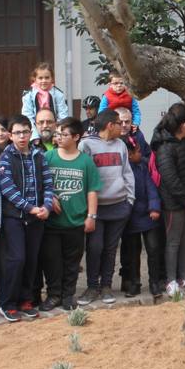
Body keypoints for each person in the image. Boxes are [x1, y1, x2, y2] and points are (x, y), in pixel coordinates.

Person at [0, 115, 54, 322]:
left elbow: (48, 184)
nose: (22, 136)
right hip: (15, 217)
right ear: (10, 135)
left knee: (31, 260)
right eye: (17, 133)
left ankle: (26, 301)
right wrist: (30, 208)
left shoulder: (39, 156)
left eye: (25, 132)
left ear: (31, 133)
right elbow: (8, 190)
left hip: (37, 218)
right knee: (17, 259)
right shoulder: (6, 157)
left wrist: (47, 206)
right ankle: (8, 303)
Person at [42, 117, 98, 311]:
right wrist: (49, 198)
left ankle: (68, 295)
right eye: (57, 133)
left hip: (75, 222)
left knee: (72, 262)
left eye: (64, 134)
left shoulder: (85, 161)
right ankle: (53, 295)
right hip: (52, 223)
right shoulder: (48, 158)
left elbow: (92, 190)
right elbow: (40, 185)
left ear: (76, 137)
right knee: (52, 261)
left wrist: (91, 216)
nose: (59, 137)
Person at [82, 111, 135, 305]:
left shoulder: (120, 145)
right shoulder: (86, 145)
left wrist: (130, 200)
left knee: (111, 249)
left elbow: (127, 173)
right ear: (109, 125)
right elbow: (83, 175)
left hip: (119, 206)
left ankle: (106, 286)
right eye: (118, 123)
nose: (122, 126)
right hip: (96, 209)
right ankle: (91, 286)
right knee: (95, 247)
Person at [152, 104, 185, 296]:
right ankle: (171, 279)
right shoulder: (165, 147)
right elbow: (170, 179)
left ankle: (183, 277)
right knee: (173, 242)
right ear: (183, 125)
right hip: (174, 204)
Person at [120, 133, 165, 301]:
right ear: (129, 154)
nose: (141, 153)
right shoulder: (123, 170)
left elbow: (152, 188)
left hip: (148, 216)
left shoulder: (144, 167)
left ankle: (154, 282)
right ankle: (134, 282)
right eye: (138, 151)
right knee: (132, 252)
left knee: (153, 249)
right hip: (130, 217)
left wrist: (154, 207)